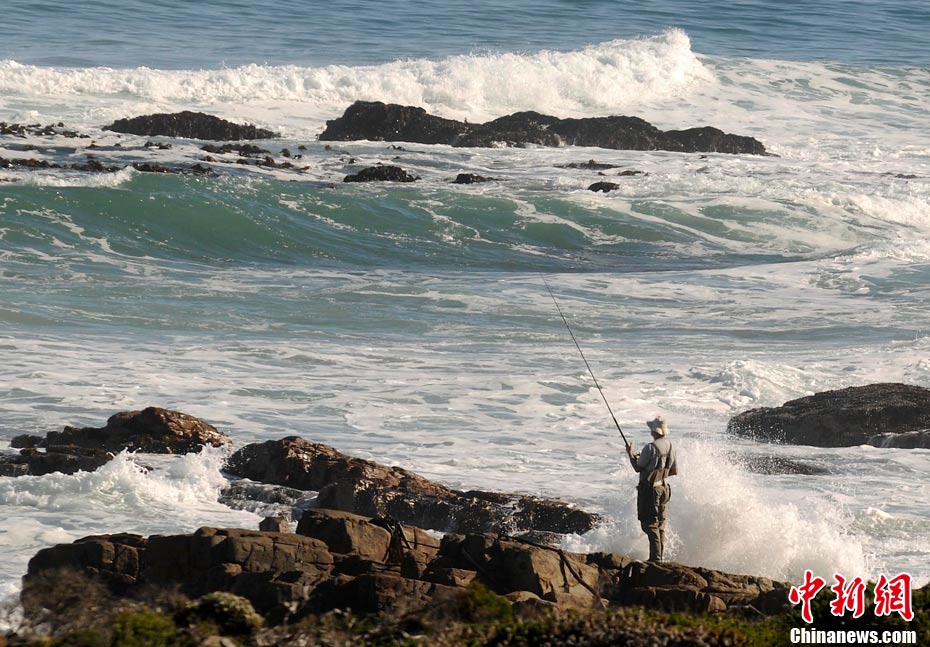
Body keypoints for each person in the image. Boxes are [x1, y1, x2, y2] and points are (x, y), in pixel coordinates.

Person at [626, 415, 678, 562]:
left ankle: (655, 559)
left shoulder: (650, 448)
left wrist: (630, 453)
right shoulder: (671, 446)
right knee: (661, 524)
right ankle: (659, 557)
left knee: (649, 524)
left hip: (650, 491)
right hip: (665, 488)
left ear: (653, 432)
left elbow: (637, 467)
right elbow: (675, 471)